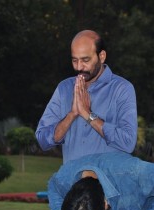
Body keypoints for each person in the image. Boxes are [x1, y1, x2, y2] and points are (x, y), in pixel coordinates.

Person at [35, 30, 138, 163]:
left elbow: (128, 143)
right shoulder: (64, 88)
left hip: (107, 182)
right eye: (74, 60)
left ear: (101, 56)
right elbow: (43, 140)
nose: (79, 67)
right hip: (72, 181)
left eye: (85, 60)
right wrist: (72, 114)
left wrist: (88, 115)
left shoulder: (122, 89)